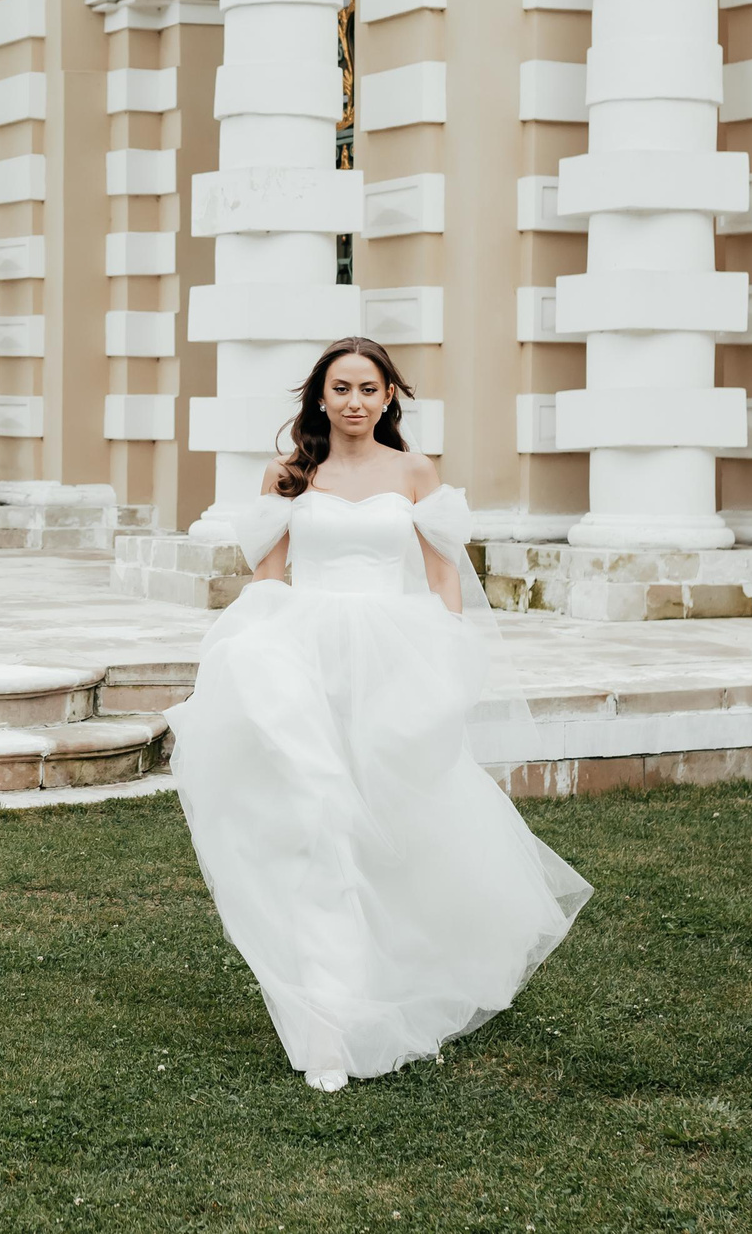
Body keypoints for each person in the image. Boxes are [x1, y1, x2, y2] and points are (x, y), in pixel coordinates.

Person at [166, 336, 592, 1091]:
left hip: (392, 662)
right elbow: (269, 580)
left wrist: (444, 666)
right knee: (317, 823)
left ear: (390, 396)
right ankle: (327, 1025)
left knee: (393, 829)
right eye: (341, 388)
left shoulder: (416, 472)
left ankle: (404, 984)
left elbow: (442, 578)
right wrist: (253, 662)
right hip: (306, 660)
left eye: (369, 387)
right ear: (320, 397)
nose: (355, 401)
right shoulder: (291, 473)